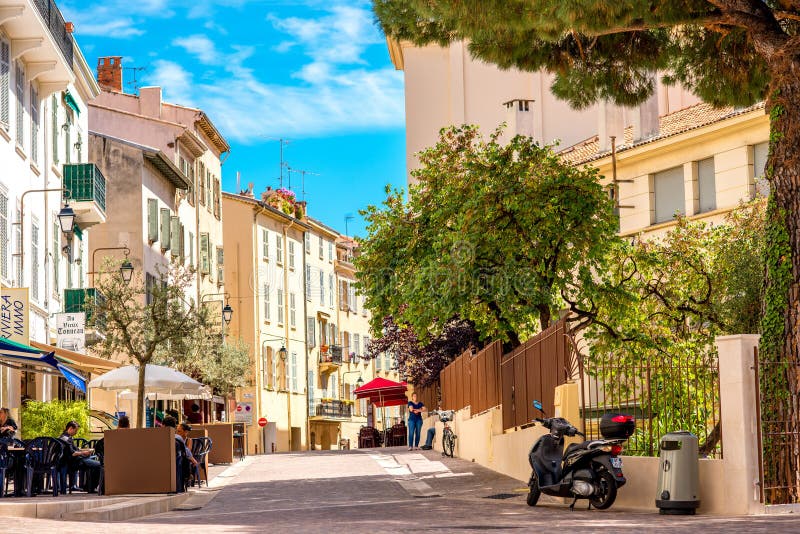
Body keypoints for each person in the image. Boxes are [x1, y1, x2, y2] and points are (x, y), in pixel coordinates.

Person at [58, 421, 101, 493]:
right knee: (99, 465)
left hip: (75, 460)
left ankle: (88, 487)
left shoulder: (64, 437)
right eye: (76, 430)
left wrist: (86, 450)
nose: (76, 432)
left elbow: (75, 450)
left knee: (95, 464)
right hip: (74, 462)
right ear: (71, 428)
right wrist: (84, 452)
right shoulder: (66, 439)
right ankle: (90, 487)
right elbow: (72, 453)